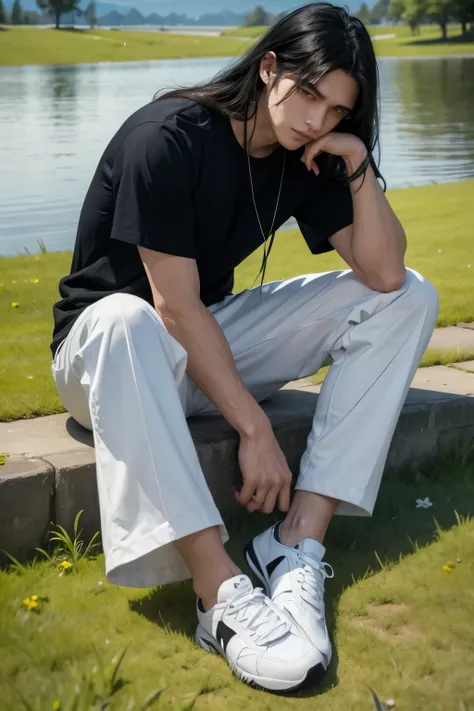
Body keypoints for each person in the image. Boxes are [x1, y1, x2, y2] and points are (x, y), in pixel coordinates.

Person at [50, 2, 439, 695]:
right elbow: (169, 304)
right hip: (102, 357)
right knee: (127, 319)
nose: (315, 120)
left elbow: (382, 274)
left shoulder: (309, 155)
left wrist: (357, 164)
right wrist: (252, 425)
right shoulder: (167, 137)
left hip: (200, 342)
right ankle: (217, 592)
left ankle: (295, 542)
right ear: (269, 69)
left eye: (335, 111)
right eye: (308, 93)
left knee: (409, 295)